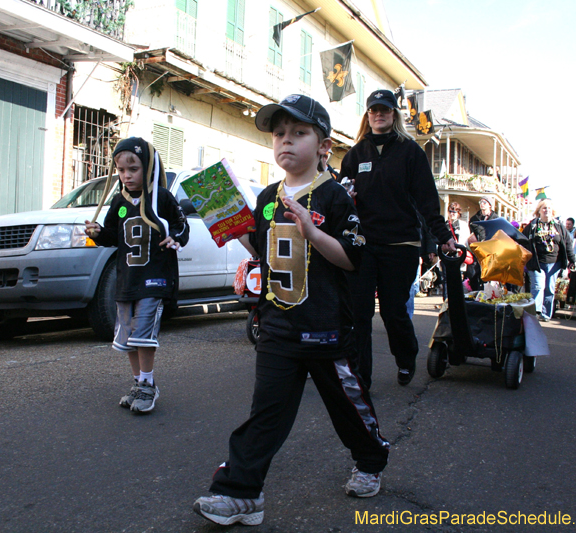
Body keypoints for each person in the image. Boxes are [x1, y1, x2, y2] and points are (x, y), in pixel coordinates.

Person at [193, 95, 390, 527]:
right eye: (279, 134)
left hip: (327, 331)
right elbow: (264, 252)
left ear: (323, 144)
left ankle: (371, 459)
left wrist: (312, 232)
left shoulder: (336, 197)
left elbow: (352, 259)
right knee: (266, 414)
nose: (286, 142)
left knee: (348, 407)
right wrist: (233, 230)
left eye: (299, 133)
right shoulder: (267, 197)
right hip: (278, 329)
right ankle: (241, 493)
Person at [340, 89, 455, 389]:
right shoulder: (354, 155)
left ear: (394, 114)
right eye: (374, 110)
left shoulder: (410, 151)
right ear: (367, 116)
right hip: (362, 246)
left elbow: (427, 199)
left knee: (393, 312)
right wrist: (346, 199)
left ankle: (406, 357)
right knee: (359, 316)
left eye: (386, 110)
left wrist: (442, 236)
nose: (380, 114)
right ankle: (361, 380)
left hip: (400, 245)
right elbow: (340, 199)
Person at [84, 137, 189, 413]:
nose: (127, 175)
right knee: (128, 338)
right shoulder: (119, 201)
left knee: (143, 334)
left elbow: (182, 226)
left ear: (149, 167)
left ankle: (148, 385)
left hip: (154, 279)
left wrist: (174, 237)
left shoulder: (162, 198)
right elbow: (111, 236)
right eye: (120, 170)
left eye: (133, 169)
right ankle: (138, 382)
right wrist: (96, 234)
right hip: (126, 281)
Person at [521, 199, 575, 322]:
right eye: (544, 208)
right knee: (538, 286)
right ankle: (535, 312)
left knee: (549, 289)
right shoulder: (532, 226)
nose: (547, 210)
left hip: (554, 263)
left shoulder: (559, 226)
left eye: (549, 208)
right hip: (536, 263)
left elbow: (567, 243)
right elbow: (522, 242)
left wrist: (572, 260)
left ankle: (546, 314)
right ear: (539, 210)